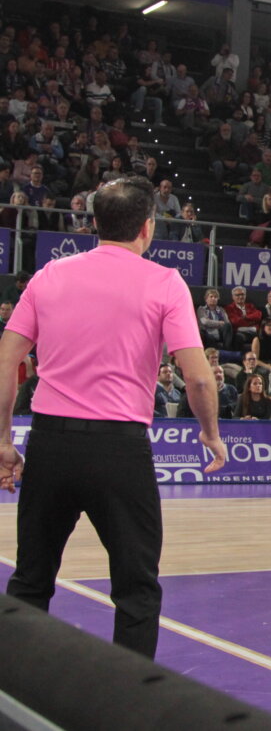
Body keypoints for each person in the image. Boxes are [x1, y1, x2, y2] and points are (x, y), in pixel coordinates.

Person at [0, 175, 226, 659]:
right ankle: (129, 710)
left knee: (30, 582)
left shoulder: (49, 276)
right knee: (136, 588)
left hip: (50, 444)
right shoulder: (165, 282)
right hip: (119, 449)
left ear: (92, 223)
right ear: (147, 228)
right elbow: (200, 378)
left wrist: (2, 440)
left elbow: (6, 361)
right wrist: (210, 433)